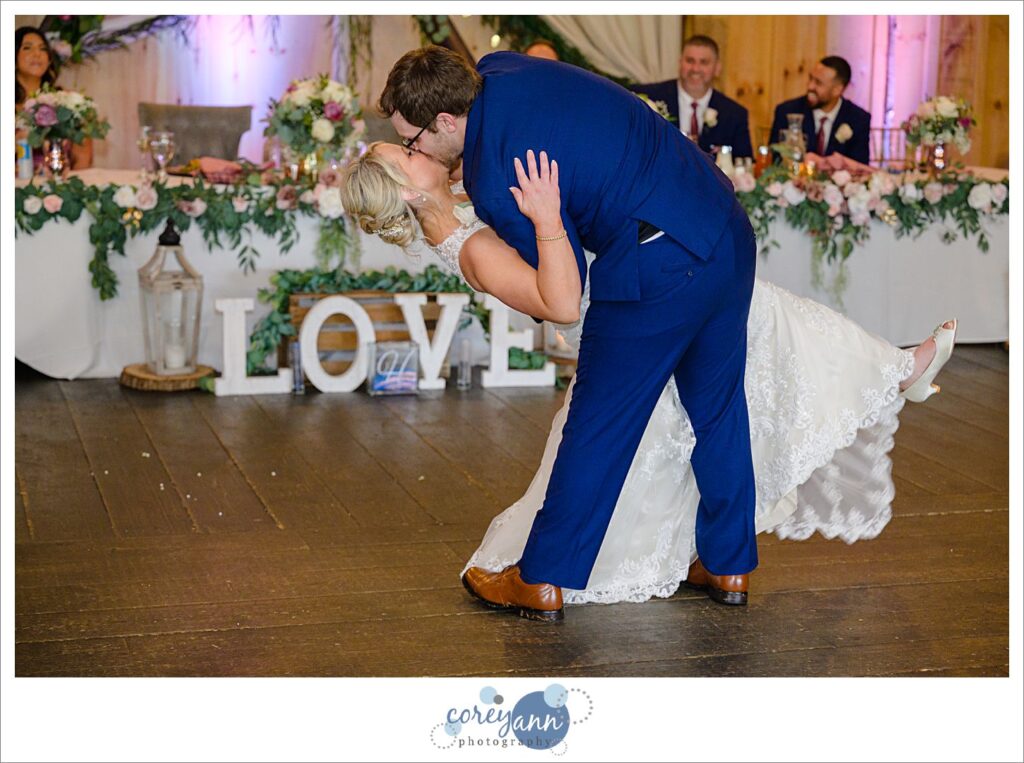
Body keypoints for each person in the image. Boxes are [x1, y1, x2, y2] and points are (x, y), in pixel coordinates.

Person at [340, 140, 957, 608]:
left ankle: (891, 370)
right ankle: (892, 370)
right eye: (411, 153)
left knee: (752, 334)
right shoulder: (466, 245)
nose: (424, 148)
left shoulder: (464, 199)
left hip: (642, 291)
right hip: (615, 315)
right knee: (744, 343)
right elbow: (557, 301)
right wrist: (551, 219)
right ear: (411, 192)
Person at [378, 45, 759, 618]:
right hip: (723, 224)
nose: (414, 150)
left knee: (597, 423)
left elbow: (563, 290)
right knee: (719, 408)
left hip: (657, 263)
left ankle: (543, 577)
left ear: (447, 121)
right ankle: (729, 562)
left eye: (414, 141)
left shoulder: (497, 173)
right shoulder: (498, 66)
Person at [632, 35, 753, 159]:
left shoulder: (734, 114)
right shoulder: (649, 98)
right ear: (680, 63)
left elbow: (744, 165)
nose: (695, 69)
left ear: (717, 68)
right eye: (690, 61)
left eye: (704, 62)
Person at [15, 26, 93, 171]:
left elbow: (83, 158)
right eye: (27, 48)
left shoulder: (65, 102)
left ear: (49, 60)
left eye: (43, 49)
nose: (37, 54)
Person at [770, 55, 871, 166]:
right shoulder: (788, 111)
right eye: (810, 78)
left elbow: (859, 167)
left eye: (818, 83)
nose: (810, 86)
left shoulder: (858, 119)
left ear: (837, 90)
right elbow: (775, 160)